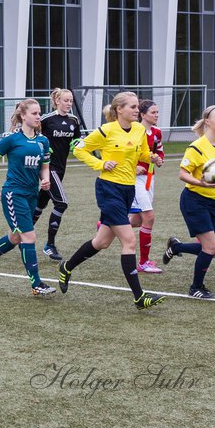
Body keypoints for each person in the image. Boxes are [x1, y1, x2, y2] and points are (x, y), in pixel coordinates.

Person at [57, 91, 166, 310]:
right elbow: (79, 149)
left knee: (102, 242)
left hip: (128, 190)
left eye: (137, 107)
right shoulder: (105, 131)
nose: (137, 110)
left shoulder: (138, 130)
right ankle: (139, 297)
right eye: (133, 107)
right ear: (119, 110)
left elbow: (143, 153)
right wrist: (100, 164)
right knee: (129, 241)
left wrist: (152, 158)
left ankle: (66, 267)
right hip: (109, 190)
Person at [0, 99, 56, 296]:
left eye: (39, 113)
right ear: (23, 116)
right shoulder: (12, 139)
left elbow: (44, 166)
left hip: (32, 194)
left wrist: (45, 180)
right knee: (28, 236)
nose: (38, 116)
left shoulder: (43, 141)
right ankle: (36, 284)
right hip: (14, 194)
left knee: (15, 236)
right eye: (34, 113)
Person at [162, 105, 215, 299]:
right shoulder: (196, 147)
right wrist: (201, 182)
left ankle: (177, 247)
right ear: (208, 122)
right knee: (209, 248)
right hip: (194, 201)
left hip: (214, 201)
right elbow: (182, 174)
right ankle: (196, 288)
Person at [34, 88, 83, 262]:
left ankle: (20, 233)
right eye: (65, 100)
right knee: (61, 203)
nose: (69, 104)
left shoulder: (73, 120)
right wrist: (43, 148)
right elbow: (34, 138)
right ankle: (49, 245)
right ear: (57, 101)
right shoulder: (46, 119)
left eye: (71, 101)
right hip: (48, 167)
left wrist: (79, 145)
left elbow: (76, 140)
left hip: (61, 168)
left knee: (40, 203)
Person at [130, 100, 166, 274]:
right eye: (153, 112)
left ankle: (107, 224)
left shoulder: (157, 132)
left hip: (149, 179)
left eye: (157, 112)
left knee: (137, 220)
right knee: (149, 217)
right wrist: (133, 167)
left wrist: (159, 159)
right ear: (143, 115)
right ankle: (144, 262)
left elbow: (159, 151)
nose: (156, 115)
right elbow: (127, 152)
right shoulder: (135, 131)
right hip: (134, 180)